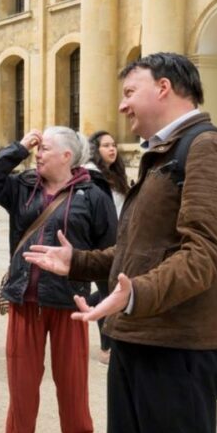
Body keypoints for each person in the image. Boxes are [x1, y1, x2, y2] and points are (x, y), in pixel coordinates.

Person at [24, 52, 217, 433]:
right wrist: (78, 262)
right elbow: (138, 254)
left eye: (130, 92)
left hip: (177, 348)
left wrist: (133, 295)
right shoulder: (165, 152)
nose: (122, 105)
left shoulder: (206, 148)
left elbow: (204, 255)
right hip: (141, 337)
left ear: (163, 88)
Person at [0, 127, 115, 433]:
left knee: (73, 380)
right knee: (22, 378)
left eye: (44, 149)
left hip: (71, 303)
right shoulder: (23, 186)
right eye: (36, 149)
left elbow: (110, 251)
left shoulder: (93, 194)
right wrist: (18, 148)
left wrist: (105, 307)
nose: (38, 154)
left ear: (67, 156)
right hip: (26, 299)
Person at [85, 131, 130, 365]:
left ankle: (87, 306)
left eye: (114, 145)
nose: (112, 149)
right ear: (95, 149)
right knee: (107, 293)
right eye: (106, 146)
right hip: (103, 244)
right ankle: (106, 347)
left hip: (123, 241)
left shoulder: (116, 174)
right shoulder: (91, 176)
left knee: (113, 291)